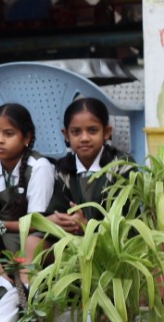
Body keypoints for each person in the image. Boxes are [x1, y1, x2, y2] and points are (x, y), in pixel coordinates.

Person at [43, 97, 132, 235]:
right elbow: (58, 208)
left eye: (92, 130)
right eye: (76, 132)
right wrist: (62, 219)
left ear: (106, 132)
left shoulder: (121, 165)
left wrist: (87, 225)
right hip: (71, 237)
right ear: (66, 135)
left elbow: (126, 217)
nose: (84, 138)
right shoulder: (63, 168)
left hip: (112, 239)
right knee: (33, 241)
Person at [0, 103, 54, 258]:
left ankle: (18, 282)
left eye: (8, 134)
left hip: (31, 234)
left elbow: (36, 222)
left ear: (27, 137)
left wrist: (0, 225)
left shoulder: (39, 167)